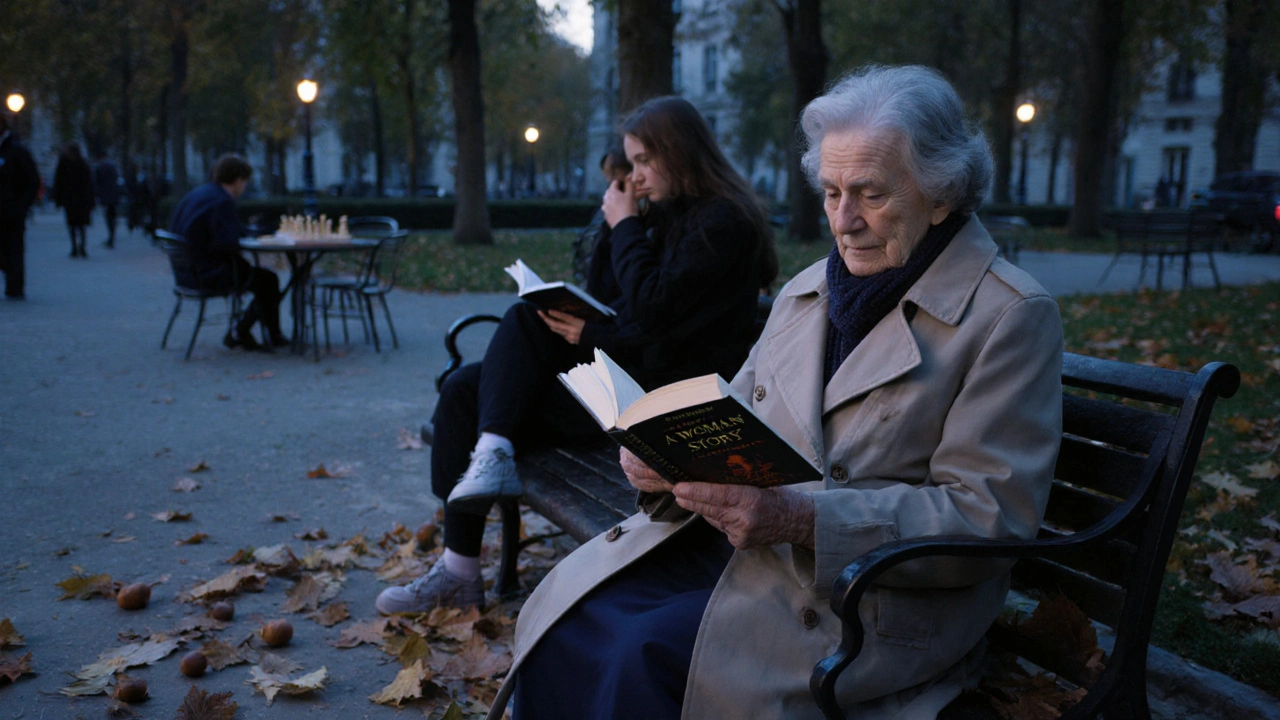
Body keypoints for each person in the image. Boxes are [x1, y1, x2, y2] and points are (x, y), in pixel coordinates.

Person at [490, 65, 1064, 720]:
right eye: (829, 192)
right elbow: (729, 416)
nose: (843, 222)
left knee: (635, 650)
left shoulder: (1010, 315)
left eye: (870, 194)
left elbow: (989, 518)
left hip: (862, 601)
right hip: (747, 558)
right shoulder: (807, 291)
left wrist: (804, 519)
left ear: (941, 195)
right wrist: (662, 461)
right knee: (569, 623)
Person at [376, 96, 779, 615]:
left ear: (677, 153)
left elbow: (656, 314)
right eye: (630, 163)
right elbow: (619, 300)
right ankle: (461, 568)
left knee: (518, 329)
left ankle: (492, 454)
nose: (634, 175)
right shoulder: (667, 214)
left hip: (663, 405)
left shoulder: (723, 224)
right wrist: (618, 231)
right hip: (630, 376)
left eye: (641, 161)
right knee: (462, 391)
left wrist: (621, 239)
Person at [168, 154, 285, 351]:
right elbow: (227, 243)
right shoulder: (221, 201)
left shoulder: (199, 194)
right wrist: (251, 236)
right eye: (245, 182)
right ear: (239, 180)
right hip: (208, 273)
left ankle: (242, 332)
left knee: (263, 280)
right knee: (268, 281)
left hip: (186, 272)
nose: (244, 187)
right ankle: (260, 334)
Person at [0, 115, 41, 300]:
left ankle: (15, 286)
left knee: (14, 249)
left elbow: (32, 181)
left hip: (12, 212)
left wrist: (21, 206)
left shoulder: (16, 150)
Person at [53, 143, 95, 258]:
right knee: (76, 225)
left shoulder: (68, 165)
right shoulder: (79, 164)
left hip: (76, 199)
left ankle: (79, 247)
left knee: (77, 225)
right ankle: (78, 247)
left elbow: (58, 183)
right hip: (75, 200)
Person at [93, 152, 122, 248]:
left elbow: (97, 183)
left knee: (109, 217)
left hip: (106, 196)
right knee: (112, 216)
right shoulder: (113, 166)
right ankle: (112, 235)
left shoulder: (100, 167)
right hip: (113, 195)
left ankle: (111, 236)